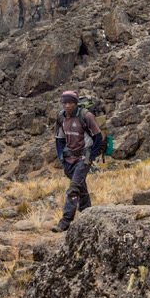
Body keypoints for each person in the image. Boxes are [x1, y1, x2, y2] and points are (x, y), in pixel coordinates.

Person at [52, 90, 104, 232]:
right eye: (65, 103)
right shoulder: (61, 117)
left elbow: (99, 138)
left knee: (73, 188)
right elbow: (59, 139)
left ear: (75, 103)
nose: (67, 106)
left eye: (70, 103)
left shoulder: (86, 116)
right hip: (69, 159)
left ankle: (65, 222)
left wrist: (90, 157)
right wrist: (61, 158)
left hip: (83, 158)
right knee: (81, 187)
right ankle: (88, 214)